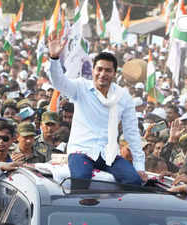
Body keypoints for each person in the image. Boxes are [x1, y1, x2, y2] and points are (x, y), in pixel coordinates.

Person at [47, 32, 146, 186]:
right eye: (99, 69)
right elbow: (59, 82)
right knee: (81, 180)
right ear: (93, 70)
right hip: (81, 151)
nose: (102, 74)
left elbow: (131, 132)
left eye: (108, 70)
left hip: (109, 153)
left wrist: (140, 166)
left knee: (133, 180)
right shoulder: (81, 87)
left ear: (114, 73)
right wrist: (54, 58)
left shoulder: (123, 96)